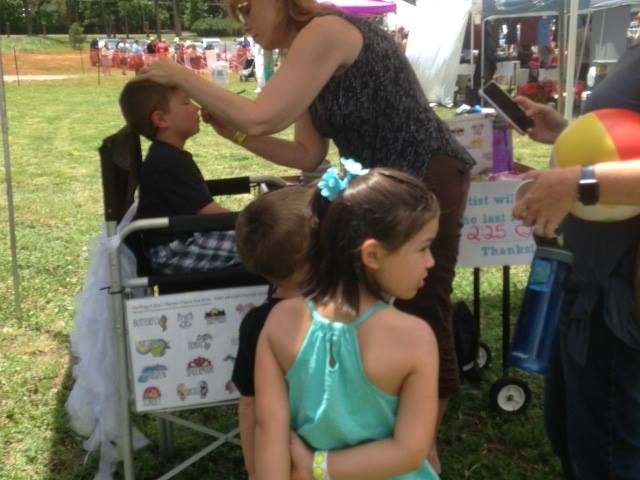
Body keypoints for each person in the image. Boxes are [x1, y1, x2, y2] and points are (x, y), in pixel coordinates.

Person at [136, 3, 475, 472]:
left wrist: (181, 74)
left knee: (422, 309)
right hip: (381, 188)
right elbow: (305, 153)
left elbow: (261, 117)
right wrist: (233, 134)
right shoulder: (305, 50)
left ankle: (420, 452)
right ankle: (381, 430)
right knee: (377, 305)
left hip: (424, 174)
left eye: (247, 8)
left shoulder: (326, 31)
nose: (245, 24)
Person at [254, 165, 441, 480]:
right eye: (423, 247)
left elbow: (269, 429)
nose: (431, 261)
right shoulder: (415, 338)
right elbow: (409, 452)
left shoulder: (280, 320)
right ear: (372, 254)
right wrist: (317, 467)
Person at [512, 40, 640, 479]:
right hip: (591, 281)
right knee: (573, 437)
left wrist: (580, 181)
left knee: (605, 454)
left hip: (621, 299)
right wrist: (567, 134)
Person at [231, 184, 314, 480]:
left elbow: (249, 403)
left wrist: (254, 469)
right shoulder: (348, 310)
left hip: (284, 460)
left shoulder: (257, 323)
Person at [118, 80, 239, 274]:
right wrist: (256, 221)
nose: (197, 108)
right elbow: (209, 212)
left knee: (264, 241)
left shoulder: (166, 155)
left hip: (182, 239)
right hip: (175, 251)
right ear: (161, 119)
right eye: (186, 102)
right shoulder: (169, 162)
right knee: (267, 246)